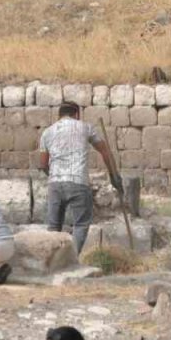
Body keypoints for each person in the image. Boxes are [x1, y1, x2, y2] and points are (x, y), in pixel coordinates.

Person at [39, 101, 120, 253]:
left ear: (60, 115)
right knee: (81, 224)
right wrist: (114, 176)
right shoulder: (86, 127)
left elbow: (43, 164)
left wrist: (55, 176)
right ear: (77, 114)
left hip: (55, 184)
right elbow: (105, 152)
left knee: (53, 227)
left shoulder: (47, 132)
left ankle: (51, 264)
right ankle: (72, 260)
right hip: (78, 182)